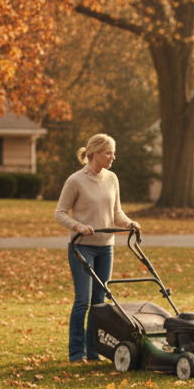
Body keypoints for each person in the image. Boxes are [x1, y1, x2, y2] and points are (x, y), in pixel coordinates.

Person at [54, 133, 140, 363]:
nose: (113, 157)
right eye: (108, 152)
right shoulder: (75, 180)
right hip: (82, 248)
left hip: (105, 247)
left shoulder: (112, 178)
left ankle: (94, 352)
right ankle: (76, 353)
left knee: (99, 302)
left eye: (113, 152)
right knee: (83, 300)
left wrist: (129, 223)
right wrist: (78, 226)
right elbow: (60, 213)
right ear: (94, 153)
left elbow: (116, 213)